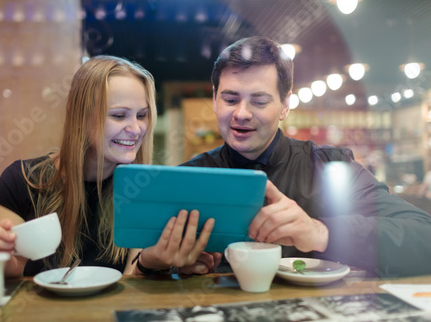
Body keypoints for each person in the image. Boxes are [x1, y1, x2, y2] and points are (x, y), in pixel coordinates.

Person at [182, 36, 431, 277]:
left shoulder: (331, 168)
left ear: (285, 105)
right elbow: (151, 261)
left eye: (259, 101)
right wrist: (159, 265)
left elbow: (424, 236)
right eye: (230, 99)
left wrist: (321, 232)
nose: (242, 113)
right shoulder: (188, 178)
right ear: (215, 99)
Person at [0, 56, 217, 277]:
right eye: (119, 115)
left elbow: (131, 285)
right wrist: (2, 262)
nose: (136, 129)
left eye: (142, 115)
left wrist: (151, 264)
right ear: (81, 116)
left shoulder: (144, 189)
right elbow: (7, 273)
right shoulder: (21, 180)